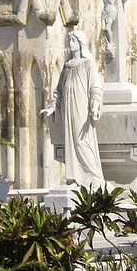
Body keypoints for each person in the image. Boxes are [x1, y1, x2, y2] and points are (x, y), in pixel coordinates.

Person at [40, 30, 104, 186]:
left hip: (81, 108)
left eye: (74, 41)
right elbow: (59, 91)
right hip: (67, 108)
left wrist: (95, 104)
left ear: (81, 43)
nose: (71, 44)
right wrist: (52, 108)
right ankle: (74, 177)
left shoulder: (88, 63)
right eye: (69, 41)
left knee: (82, 141)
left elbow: (95, 87)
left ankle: (93, 175)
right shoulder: (67, 66)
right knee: (70, 141)